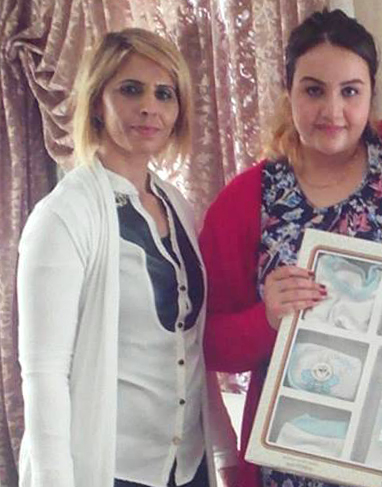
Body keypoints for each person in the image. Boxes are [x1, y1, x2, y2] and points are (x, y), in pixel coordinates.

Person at [198, 9, 382, 487]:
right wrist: (266, 318)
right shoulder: (244, 201)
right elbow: (210, 345)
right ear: (288, 92)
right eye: (313, 90)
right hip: (296, 455)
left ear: (371, 93)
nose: (332, 111)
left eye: (350, 91)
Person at [16, 28, 240, 487]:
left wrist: (225, 453)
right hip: (108, 470)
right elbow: (44, 375)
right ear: (98, 101)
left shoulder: (177, 205)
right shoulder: (63, 216)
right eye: (131, 90)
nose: (149, 107)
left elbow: (191, 350)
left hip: (189, 468)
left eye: (164, 94)